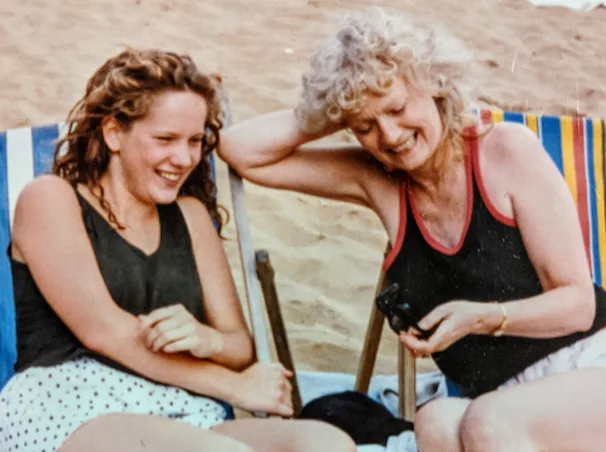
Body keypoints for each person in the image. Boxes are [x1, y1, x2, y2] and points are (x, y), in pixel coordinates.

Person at [217, 8, 606, 452]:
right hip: (500, 401)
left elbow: (578, 305)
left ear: (436, 83)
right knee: (435, 421)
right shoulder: (379, 180)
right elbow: (241, 152)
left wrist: (482, 318)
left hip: (586, 368)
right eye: (365, 126)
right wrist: (333, 107)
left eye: (398, 108)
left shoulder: (505, 151)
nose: (390, 135)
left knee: (486, 422)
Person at [0, 48, 357, 452]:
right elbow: (104, 331)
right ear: (114, 133)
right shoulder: (50, 199)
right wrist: (235, 387)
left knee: (324, 443)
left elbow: (239, 345)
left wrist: (207, 340)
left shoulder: (190, 217)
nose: (184, 158)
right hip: (72, 406)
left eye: (194, 140)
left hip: (176, 405)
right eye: (165, 139)